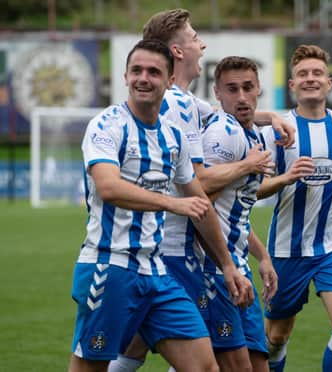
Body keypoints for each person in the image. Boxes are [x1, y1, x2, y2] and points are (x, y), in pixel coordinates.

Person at [108, 9, 291, 371]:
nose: (201, 43)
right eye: (194, 38)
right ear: (177, 51)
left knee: (138, 349)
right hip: (177, 251)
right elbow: (198, 186)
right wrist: (248, 165)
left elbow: (229, 112)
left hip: (170, 248)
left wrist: (271, 118)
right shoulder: (174, 105)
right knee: (205, 361)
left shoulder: (188, 104)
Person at [69, 39, 251, 372]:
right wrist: (171, 203)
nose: (143, 78)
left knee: (205, 367)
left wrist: (227, 265)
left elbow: (199, 204)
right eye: (136, 70)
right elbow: (108, 187)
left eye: (154, 72)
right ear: (125, 76)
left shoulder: (173, 137)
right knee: (90, 367)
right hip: (110, 267)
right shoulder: (106, 126)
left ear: (169, 80)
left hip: (157, 273)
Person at [258, 44, 332, 372]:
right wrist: (285, 178)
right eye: (303, 74)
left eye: (317, 73)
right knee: (276, 336)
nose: (311, 79)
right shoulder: (274, 132)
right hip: (286, 249)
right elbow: (253, 190)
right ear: (292, 85)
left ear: (329, 82)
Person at [199, 56, 279, 372]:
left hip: (238, 266)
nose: (242, 96)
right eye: (232, 89)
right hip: (217, 270)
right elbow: (202, 201)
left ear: (259, 88)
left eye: (248, 87)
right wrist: (226, 265)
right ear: (217, 93)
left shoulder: (253, 135)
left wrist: (263, 257)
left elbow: (235, 210)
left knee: (258, 363)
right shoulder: (224, 132)